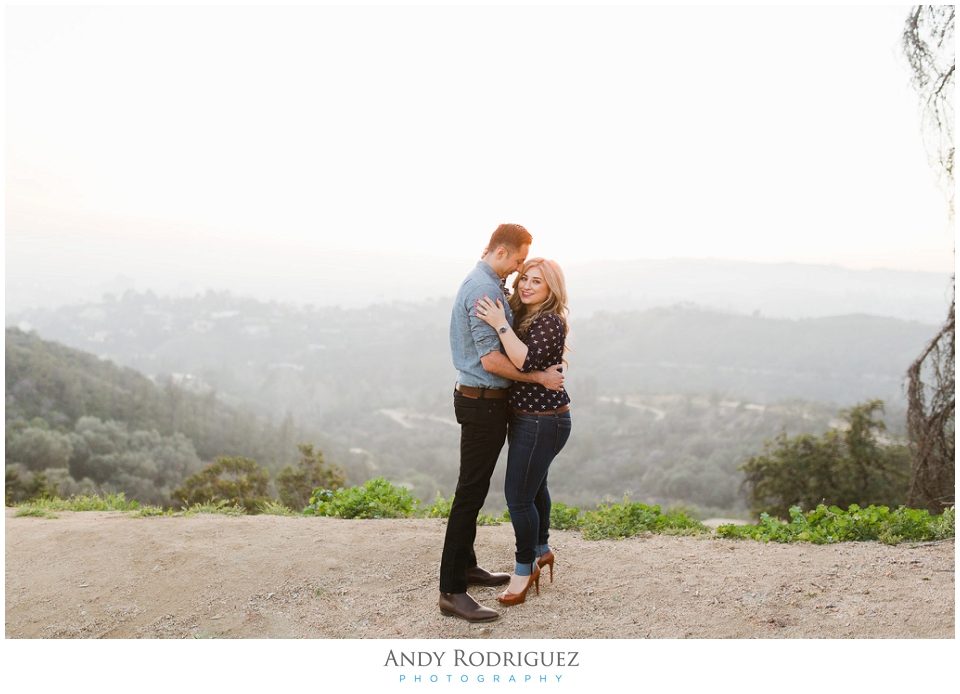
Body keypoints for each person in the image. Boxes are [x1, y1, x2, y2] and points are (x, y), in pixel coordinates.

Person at [439, 224, 565, 623]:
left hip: (488, 402)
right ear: (500, 252)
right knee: (470, 494)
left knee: (476, 490)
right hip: (482, 404)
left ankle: (467, 568)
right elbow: (492, 361)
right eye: (517, 261)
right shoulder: (485, 289)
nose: (517, 270)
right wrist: (540, 378)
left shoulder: (486, 282)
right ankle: (451, 590)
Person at [474, 257, 571, 606]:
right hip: (528, 417)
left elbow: (525, 362)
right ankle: (542, 549)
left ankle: (524, 567)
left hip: (543, 419)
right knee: (535, 487)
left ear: (551, 289)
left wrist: (500, 324)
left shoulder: (550, 321)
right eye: (525, 279)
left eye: (537, 282)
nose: (527, 286)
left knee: (517, 496)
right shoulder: (526, 313)